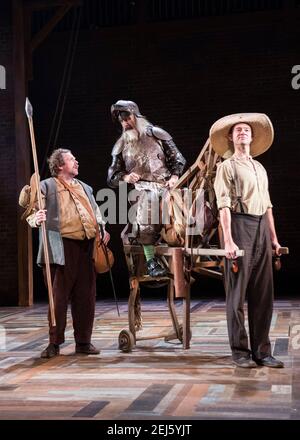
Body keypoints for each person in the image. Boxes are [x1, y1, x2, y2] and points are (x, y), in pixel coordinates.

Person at [19, 148, 110, 359]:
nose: (76, 161)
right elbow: (28, 205)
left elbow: (95, 212)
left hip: (86, 247)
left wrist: (102, 230)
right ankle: (54, 342)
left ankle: (84, 341)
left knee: (86, 296)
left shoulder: (86, 188)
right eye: (71, 159)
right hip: (60, 247)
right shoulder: (47, 186)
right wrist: (36, 218)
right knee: (58, 298)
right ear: (60, 165)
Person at [211, 113, 284, 368]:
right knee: (237, 293)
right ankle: (240, 352)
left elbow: (268, 207)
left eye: (246, 130)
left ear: (252, 137)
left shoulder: (259, 168)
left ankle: (262, 351)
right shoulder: (226, 167)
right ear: (231, 137)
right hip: (239, 225)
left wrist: (274, 239)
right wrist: (228, 241)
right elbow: (224, 207)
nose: (242, 132)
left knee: (263, 293)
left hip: (261, 227)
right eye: (237, 130)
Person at [107, 100, 186, 277]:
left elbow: (178, 159)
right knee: (147, 202)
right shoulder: (121, 145)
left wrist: (174, 177)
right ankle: (151, 261)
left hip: (166, 185)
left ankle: (198, 245)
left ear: (136, 116)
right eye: (122, 120)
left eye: (127, 117)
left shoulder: (157, 134)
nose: (125, 122)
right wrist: (126, 177)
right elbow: (111, 176)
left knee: (190, 200)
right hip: (142, 189)